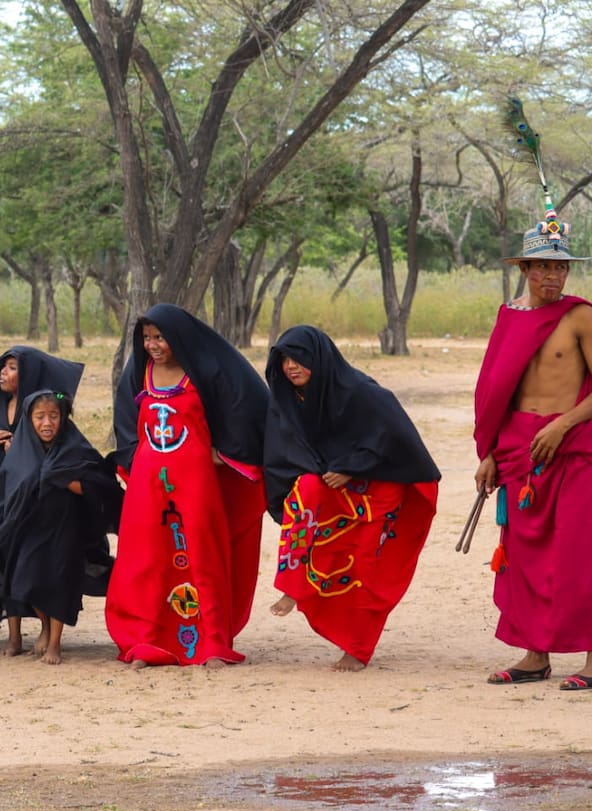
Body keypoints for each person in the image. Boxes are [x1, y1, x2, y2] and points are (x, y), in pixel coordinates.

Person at [264, 325, 440, 671]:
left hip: (381, 485)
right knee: (307, 494)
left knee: (364, 566)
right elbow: (285, 450)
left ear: (320, 359)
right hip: (333, 489)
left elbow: (393, 438)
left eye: (300, 358)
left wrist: (352, 468)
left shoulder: (361, 392)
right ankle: (295, 583)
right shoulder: (290, 398)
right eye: (284, 359)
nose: (291, 367)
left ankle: (358, 648)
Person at [105, 304, 268, 668]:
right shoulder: (139, 372)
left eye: (159, 337)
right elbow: (126, 422)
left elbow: (245, 401)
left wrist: (224, 454)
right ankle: (146, 641)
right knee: (147, 559)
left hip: (196, 482)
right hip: (149, 484)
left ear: (177, 337)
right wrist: (135, 461)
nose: (152, 345)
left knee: (202, 555)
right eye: (146, 338)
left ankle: (211, 642)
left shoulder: (203, 371)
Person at [475, 214, 592, 690]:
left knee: (578, 554)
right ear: (524, 268)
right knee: (523, 557)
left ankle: (591, 660)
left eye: (561, 268)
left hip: (575, 450)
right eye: (543, 267)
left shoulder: (581, 315)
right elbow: (496, 392)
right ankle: (534, 656)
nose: (553, 277)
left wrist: (563, 425)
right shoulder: (509, 318)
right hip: (519, 454)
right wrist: (488, 454)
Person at [0, 391, 119, 665]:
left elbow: (101, 486)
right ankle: (45, 627)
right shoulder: (20, 454)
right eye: (40, 417)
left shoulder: (76, 449)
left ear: (64, 418)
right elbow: (8, 490)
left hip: (66, 529)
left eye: (54, 416)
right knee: (27, 579)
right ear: (29, 419)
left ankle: (55, 644)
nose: (47, 423)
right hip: (29, 531)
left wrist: (64, 481)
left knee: (60, 582)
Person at [0, 347, 86, 653]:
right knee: (11, 565)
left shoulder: (52, 420)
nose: (3, 372)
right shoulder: (0, 409)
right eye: (2, 366)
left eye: (12, 367)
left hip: (49, 506)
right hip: (9, 496)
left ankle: (47, 631)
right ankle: (14, 636)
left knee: (46, 569)